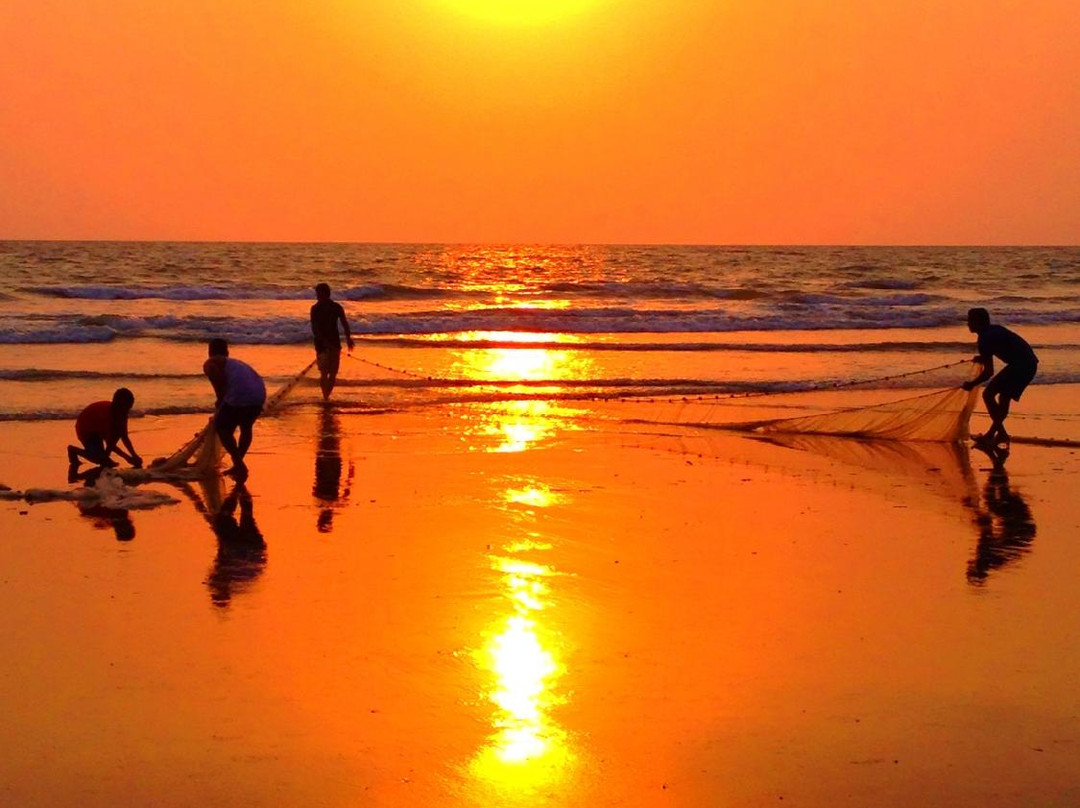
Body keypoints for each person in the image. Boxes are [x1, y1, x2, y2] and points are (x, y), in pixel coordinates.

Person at [962, 308, 1038, 449]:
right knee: (1003, 397)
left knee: (989, 394)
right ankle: (998, 434)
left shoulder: (984, 338)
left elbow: (988, 372)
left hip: (1022, 366)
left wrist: (972, 384)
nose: (968, 324)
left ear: (978, 322)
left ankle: (996, 434)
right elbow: (1002, 349)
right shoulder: (993, 330)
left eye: (970, 321)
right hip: (1028, 363)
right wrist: (983, 358)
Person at [203, 338, 266, 478]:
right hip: (259, 396)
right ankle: (238, 464)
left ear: (210, 352)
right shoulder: (236, 363)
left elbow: (219, 386)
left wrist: (220, 401)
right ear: (227, 352)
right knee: (246, 427)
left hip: (240, 396)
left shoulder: (211, 363)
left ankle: (239, 464)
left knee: (222, 428)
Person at [67, 387, 142, 469]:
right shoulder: (106, 416)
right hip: (85, 429)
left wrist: (134, 455)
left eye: (129, 408)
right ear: (118, 405)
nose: (127, 411)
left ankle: (105, 458)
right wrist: (127, 457)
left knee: (106, 459)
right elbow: (110, 444)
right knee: (98, 459)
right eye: (126, 407)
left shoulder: (123, 413)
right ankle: (73, 450)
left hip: (97, 428)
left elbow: (124, 436)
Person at [310, 282, 354, 400]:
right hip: (321, 346)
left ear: (326, 294)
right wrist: (324, 342)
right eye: (317, 294)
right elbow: (315, 329)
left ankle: (326, 396)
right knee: (324, 373)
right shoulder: (315, 308)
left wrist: (348, 339)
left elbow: (344, 323)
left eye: (319, 294)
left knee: (333, 373)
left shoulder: (336, 307)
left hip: (334, 344)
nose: (317, 296)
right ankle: (325, 397)